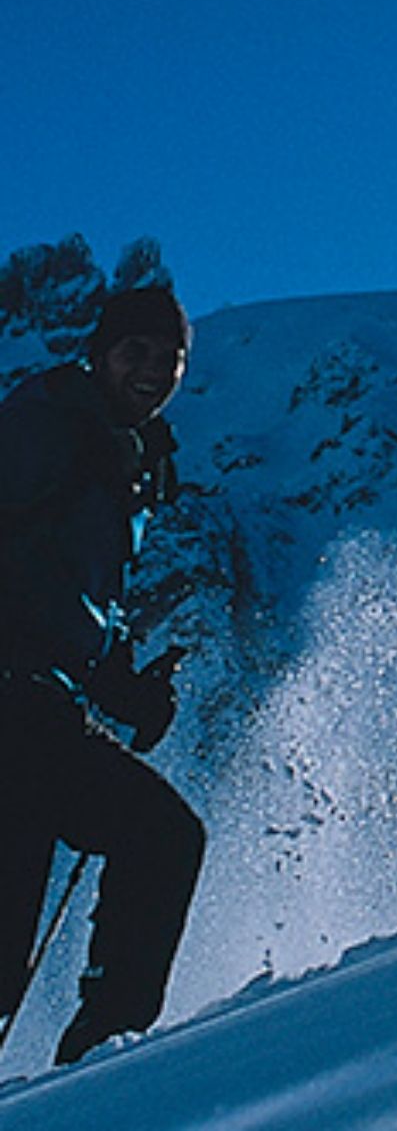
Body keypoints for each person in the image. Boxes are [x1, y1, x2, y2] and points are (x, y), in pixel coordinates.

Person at [0, 287, 205, 1066]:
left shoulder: (129, 451)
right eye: (136, 352)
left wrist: (123, 686)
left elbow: (74, 591)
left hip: (40, 704)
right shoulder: (44, 424)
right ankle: (101, 1059)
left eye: (169, 357)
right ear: (100, 352)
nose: (152, 371)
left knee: (160, 837)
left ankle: (99, 1062)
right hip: (14, 702)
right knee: (160, 837)